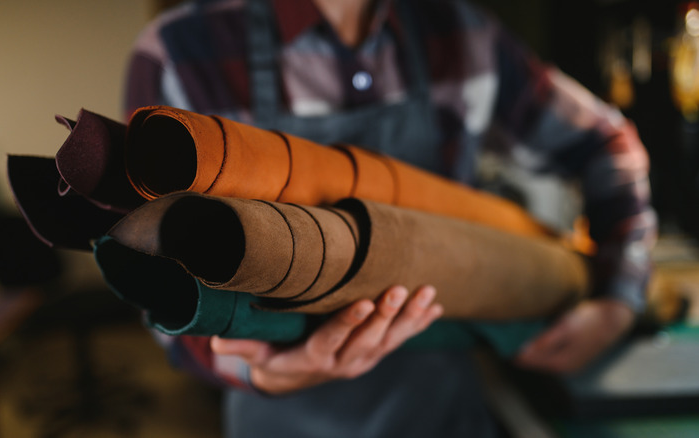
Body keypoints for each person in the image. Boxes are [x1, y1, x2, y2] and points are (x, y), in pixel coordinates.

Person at [123, 0, 656, 436]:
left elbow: (607, 144)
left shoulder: (462, 36)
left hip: (444, 412)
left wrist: (617, 301)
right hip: (284, 420)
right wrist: (261, 370)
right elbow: (152, 272)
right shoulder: (180, 52)